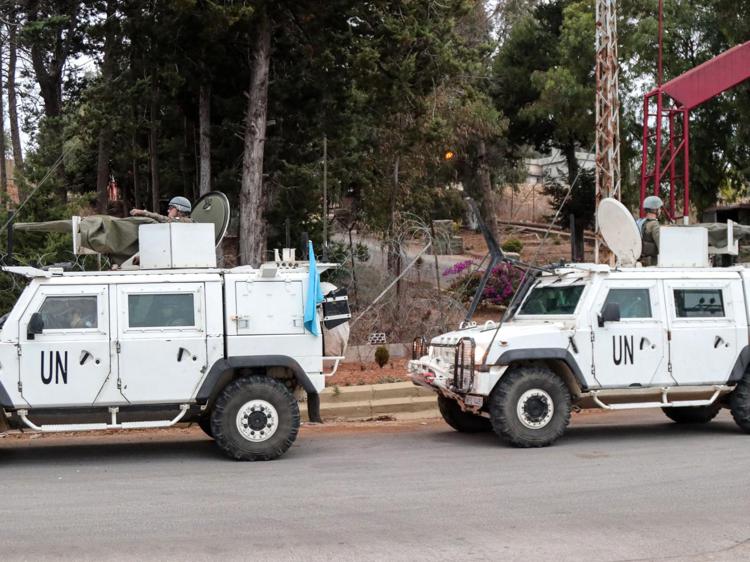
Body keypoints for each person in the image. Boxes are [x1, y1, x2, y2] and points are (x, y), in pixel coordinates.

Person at [637, 195, 662, 266]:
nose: (660, 210)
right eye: (659, 208)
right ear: (655, 210)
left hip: (642, 261)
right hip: (652, 264)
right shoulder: (654, 225)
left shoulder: (641, 222)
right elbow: (661, 247)